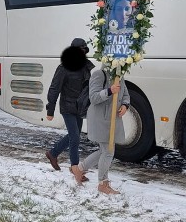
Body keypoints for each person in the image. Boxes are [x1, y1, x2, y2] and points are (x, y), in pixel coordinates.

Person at [72, 64, 130, 195]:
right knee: (109, 151)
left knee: (104, 150)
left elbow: (125, 94)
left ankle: (80, 169)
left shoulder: (119, 76)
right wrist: (109, 91)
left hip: (113, 119)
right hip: (100, 118)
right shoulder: (99, 74)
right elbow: (93, 97)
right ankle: (103, 184)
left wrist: (125, 105)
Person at [44, 38, 94, 178]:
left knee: (74, 135)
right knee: (75, 137)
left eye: (84, 51)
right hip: (67, 107)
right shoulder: (64, 68)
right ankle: (75, 169)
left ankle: (53, 153)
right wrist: (50, 109)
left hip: (79, 107)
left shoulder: (86, 67)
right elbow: (54, 88)